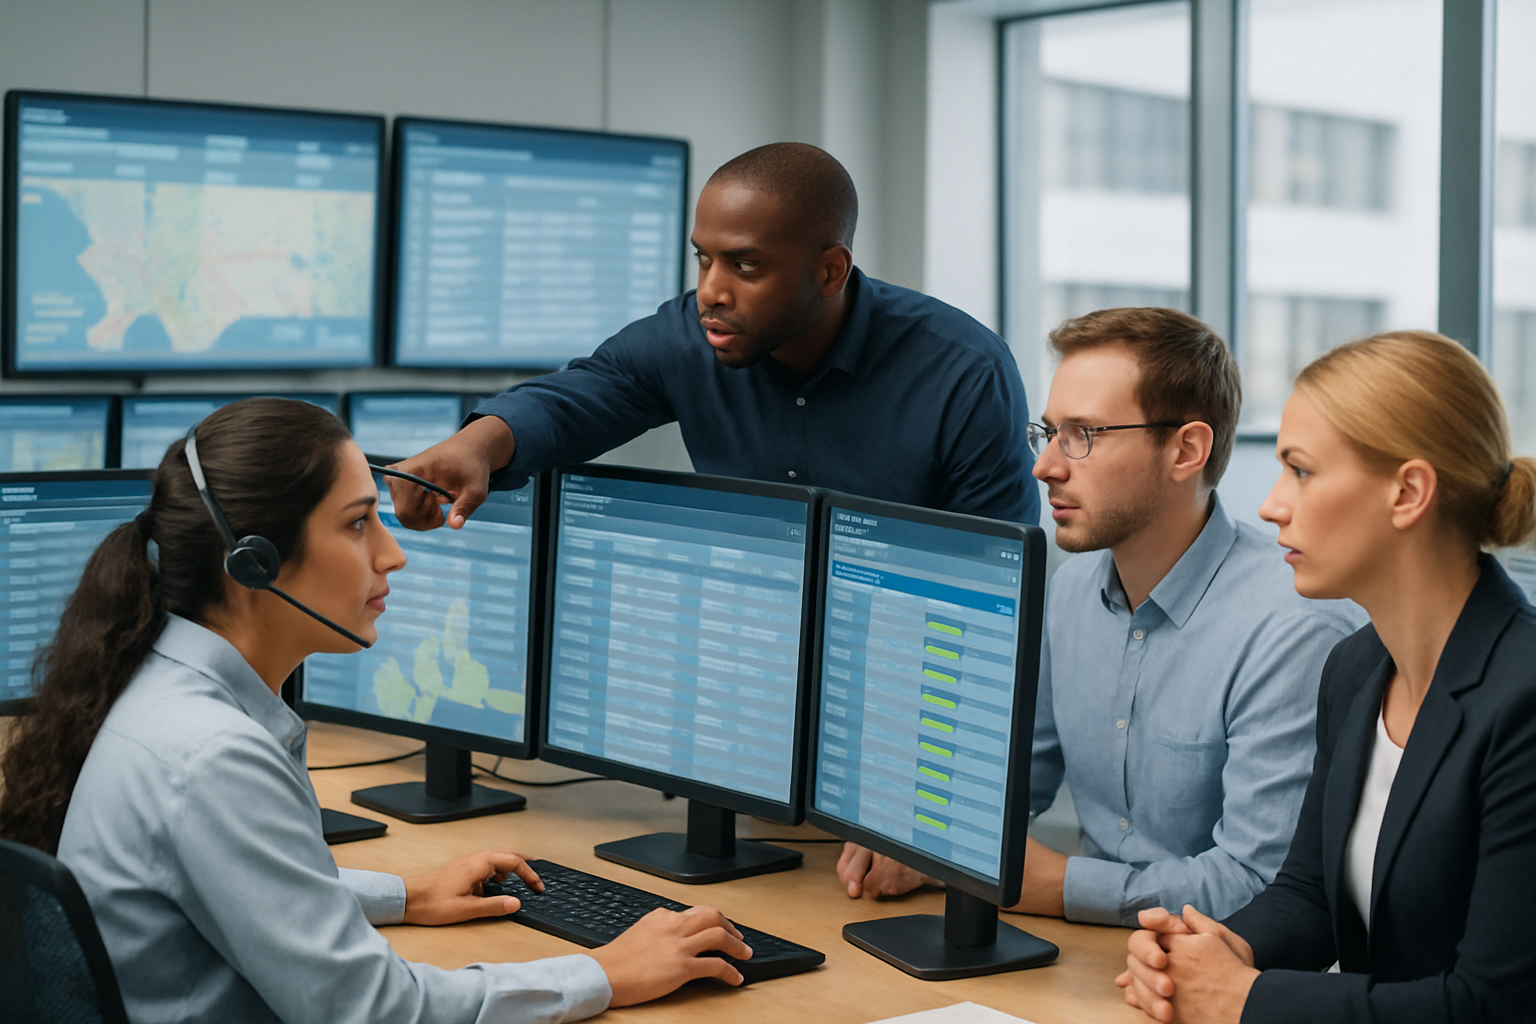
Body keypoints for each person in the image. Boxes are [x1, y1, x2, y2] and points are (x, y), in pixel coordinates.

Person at [0, 398, 751, 1024]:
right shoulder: (212, 756)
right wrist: (603, 974)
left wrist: (406, 895)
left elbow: (243, 887)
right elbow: (375, 1011)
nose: (392, 554)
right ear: (256, 562)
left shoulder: (160, 685)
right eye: (359, 523)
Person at [836, 307, 1360, 925]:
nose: (1045, 467)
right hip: (1091, 952)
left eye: (1083, 435)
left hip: (1214, 967)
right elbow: (1013, 780)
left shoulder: (1295, 630)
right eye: (1049, 432)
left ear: (1186, 449)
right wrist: (922, 828)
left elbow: (1259, 884)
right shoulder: (1071, 590)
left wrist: (1052, 885)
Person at [1118, 330, 1536, 1024]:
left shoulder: (1523, 701)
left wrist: (1244, 996)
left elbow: (1492, 1005)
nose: (1271, 505)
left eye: (1301, 471)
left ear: (1408, 493)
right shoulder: (1355, 667)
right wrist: (1215, 950)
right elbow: (1310, 893)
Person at [388, 142, 1037, 532]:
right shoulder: (690, 335)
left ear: (829, 271)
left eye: (745, 266)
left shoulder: (963, 372)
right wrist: (476, 444)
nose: (710, 292)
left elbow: (996, 575)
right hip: (744, 650)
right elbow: (582, 395)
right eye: (704, 259)